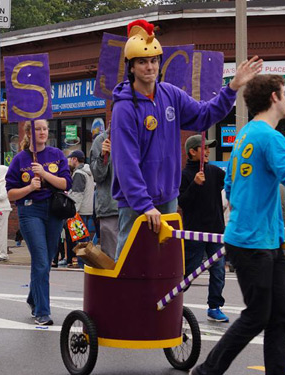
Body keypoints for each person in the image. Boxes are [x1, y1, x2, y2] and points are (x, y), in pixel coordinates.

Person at [110, 19, 262, 260]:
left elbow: (204, 116)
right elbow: (126, 162)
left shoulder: (170, 94)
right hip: (135, 203)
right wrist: (144, 204)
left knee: (162, 262)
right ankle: (120, 299)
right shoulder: (124, 109)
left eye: (154, 60)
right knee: (131, 262)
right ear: (131, 67)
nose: (150, 67)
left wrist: (232, 87)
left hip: (168, 198)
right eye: (142, 62)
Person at [191, 74, 285, 375]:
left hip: (264, 241)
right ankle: (206, 370)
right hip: (253, 243)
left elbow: (230, 184)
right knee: (258, 315)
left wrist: (248, 207)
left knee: (280, 317)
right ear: (274, 97)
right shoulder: (270, 137)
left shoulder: (245, 134)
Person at [6, 119, 72, 326]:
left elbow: (65, 183)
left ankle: (33, 298)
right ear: (29, 133)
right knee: (41, 260)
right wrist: (29, 188)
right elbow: (10, 193)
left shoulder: (57, 155)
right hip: (30, 210)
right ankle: (43, 312)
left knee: (47, 259)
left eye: (45, 129)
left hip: (54, 210)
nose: (42, 132)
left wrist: (44, 174)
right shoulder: (20, 159)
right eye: (37, 129)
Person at [179, 135, 229, 323]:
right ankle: (173, 300)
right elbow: (182, 202)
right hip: (194, 232)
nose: (208, 151)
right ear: (192, 151)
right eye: (204, 148)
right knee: (189, 271)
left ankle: (214, 306)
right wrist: (195, 185)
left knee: (218, 270)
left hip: (216, 232)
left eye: (208, 148)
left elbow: (231, 183)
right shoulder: (184, 175)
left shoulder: (214, 172)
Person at [89, 128, 118, 259]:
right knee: (113, 260)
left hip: (135, 208)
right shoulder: (101, 140)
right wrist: (102, 156)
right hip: (111, 209)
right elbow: (98, 175)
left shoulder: (136, 136)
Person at [65, 150, 94, 267]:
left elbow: (77, 194)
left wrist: (72, 212)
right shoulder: (88, 172)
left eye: (70, 158)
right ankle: (85, 262)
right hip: (87, 208)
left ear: (75, 159)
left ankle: (83, 264)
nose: (69, 161)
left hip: (79, 211)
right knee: (84, 238)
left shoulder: (79, 174)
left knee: (81, 239)